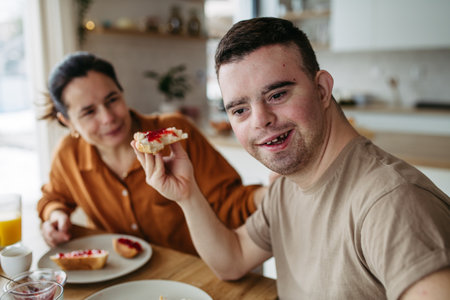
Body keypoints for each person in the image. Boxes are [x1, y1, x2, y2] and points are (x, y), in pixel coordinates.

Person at [132, 17, 450, 299]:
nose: (260, 120)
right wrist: (187, 195)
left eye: (277, 95)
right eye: (240, 109)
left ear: (322, 90)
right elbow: (233, 259)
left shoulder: (392, 203)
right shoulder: (286, 188)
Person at [36, 51, 267, 255]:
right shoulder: (68, 153)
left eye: (112, 99)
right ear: (67, 121)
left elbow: (231, 201)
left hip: (197, 271)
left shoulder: (175, 132)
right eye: (88, 112)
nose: (108, 117)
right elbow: (53, 199)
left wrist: (271, 194)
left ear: (122, 92)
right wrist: (55, 216)